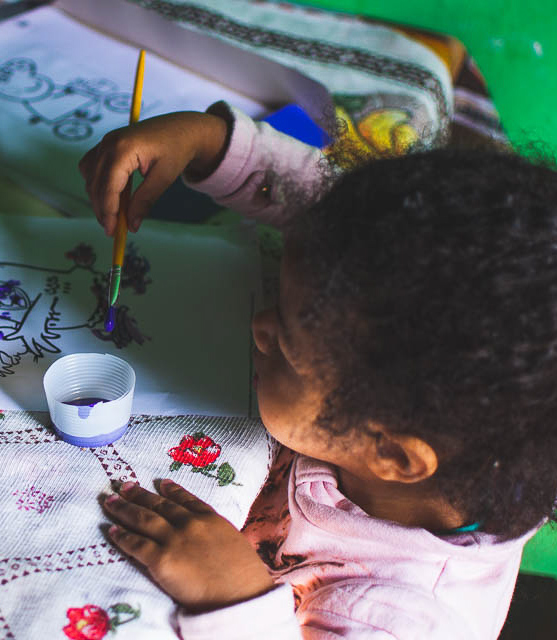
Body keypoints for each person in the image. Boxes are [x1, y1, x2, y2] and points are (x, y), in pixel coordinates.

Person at [79, 103, 557, 639]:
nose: (259, 326)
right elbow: (324, 205)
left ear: (393, 453)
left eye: (284, 344)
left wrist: (237, 600)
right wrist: (209, 141)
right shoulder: (405, 350)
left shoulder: (395, 614)